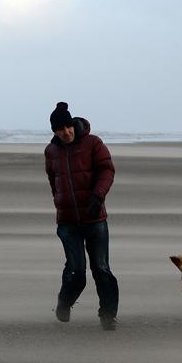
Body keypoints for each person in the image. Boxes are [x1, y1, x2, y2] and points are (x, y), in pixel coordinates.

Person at [44, 101, 119, 331]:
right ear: (54, 131)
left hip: (95, 219)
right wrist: (59, 201)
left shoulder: (93, 143)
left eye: (68, 127)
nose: (65, 132)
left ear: (73, 124)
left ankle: (108, 316)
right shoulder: (51, 151)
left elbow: (107, 170)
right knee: (76, 271)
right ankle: (64, 303)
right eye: (60, 129)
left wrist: (98, 196)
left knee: (101, 269)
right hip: (67, 223)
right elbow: (53, 180)